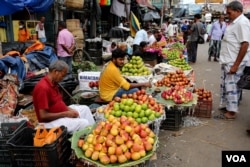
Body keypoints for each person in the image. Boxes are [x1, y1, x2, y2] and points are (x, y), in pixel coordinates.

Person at [32, 60, 95, 134]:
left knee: (85, 109)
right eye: (62, 75)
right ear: (56, 72)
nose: (63, 78)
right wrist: (66, 113)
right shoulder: (43, 87)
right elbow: (43, 116)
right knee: (84, 123)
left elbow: (59, 103)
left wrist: (70, 110)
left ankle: (94, 133)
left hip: (61, 114)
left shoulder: (54, 84)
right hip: (49, 123)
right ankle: (88, 137)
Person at [219, 1, 250, 120]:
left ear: (238, 11)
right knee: (226, 86)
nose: (227, 15)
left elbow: (245, 44)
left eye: (229, 12)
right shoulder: (234, 22)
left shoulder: (242, 23)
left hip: (234, 61)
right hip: (228, 60)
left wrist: (236, 65)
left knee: (232, 87)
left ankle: (232, 112)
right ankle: (228, 106)